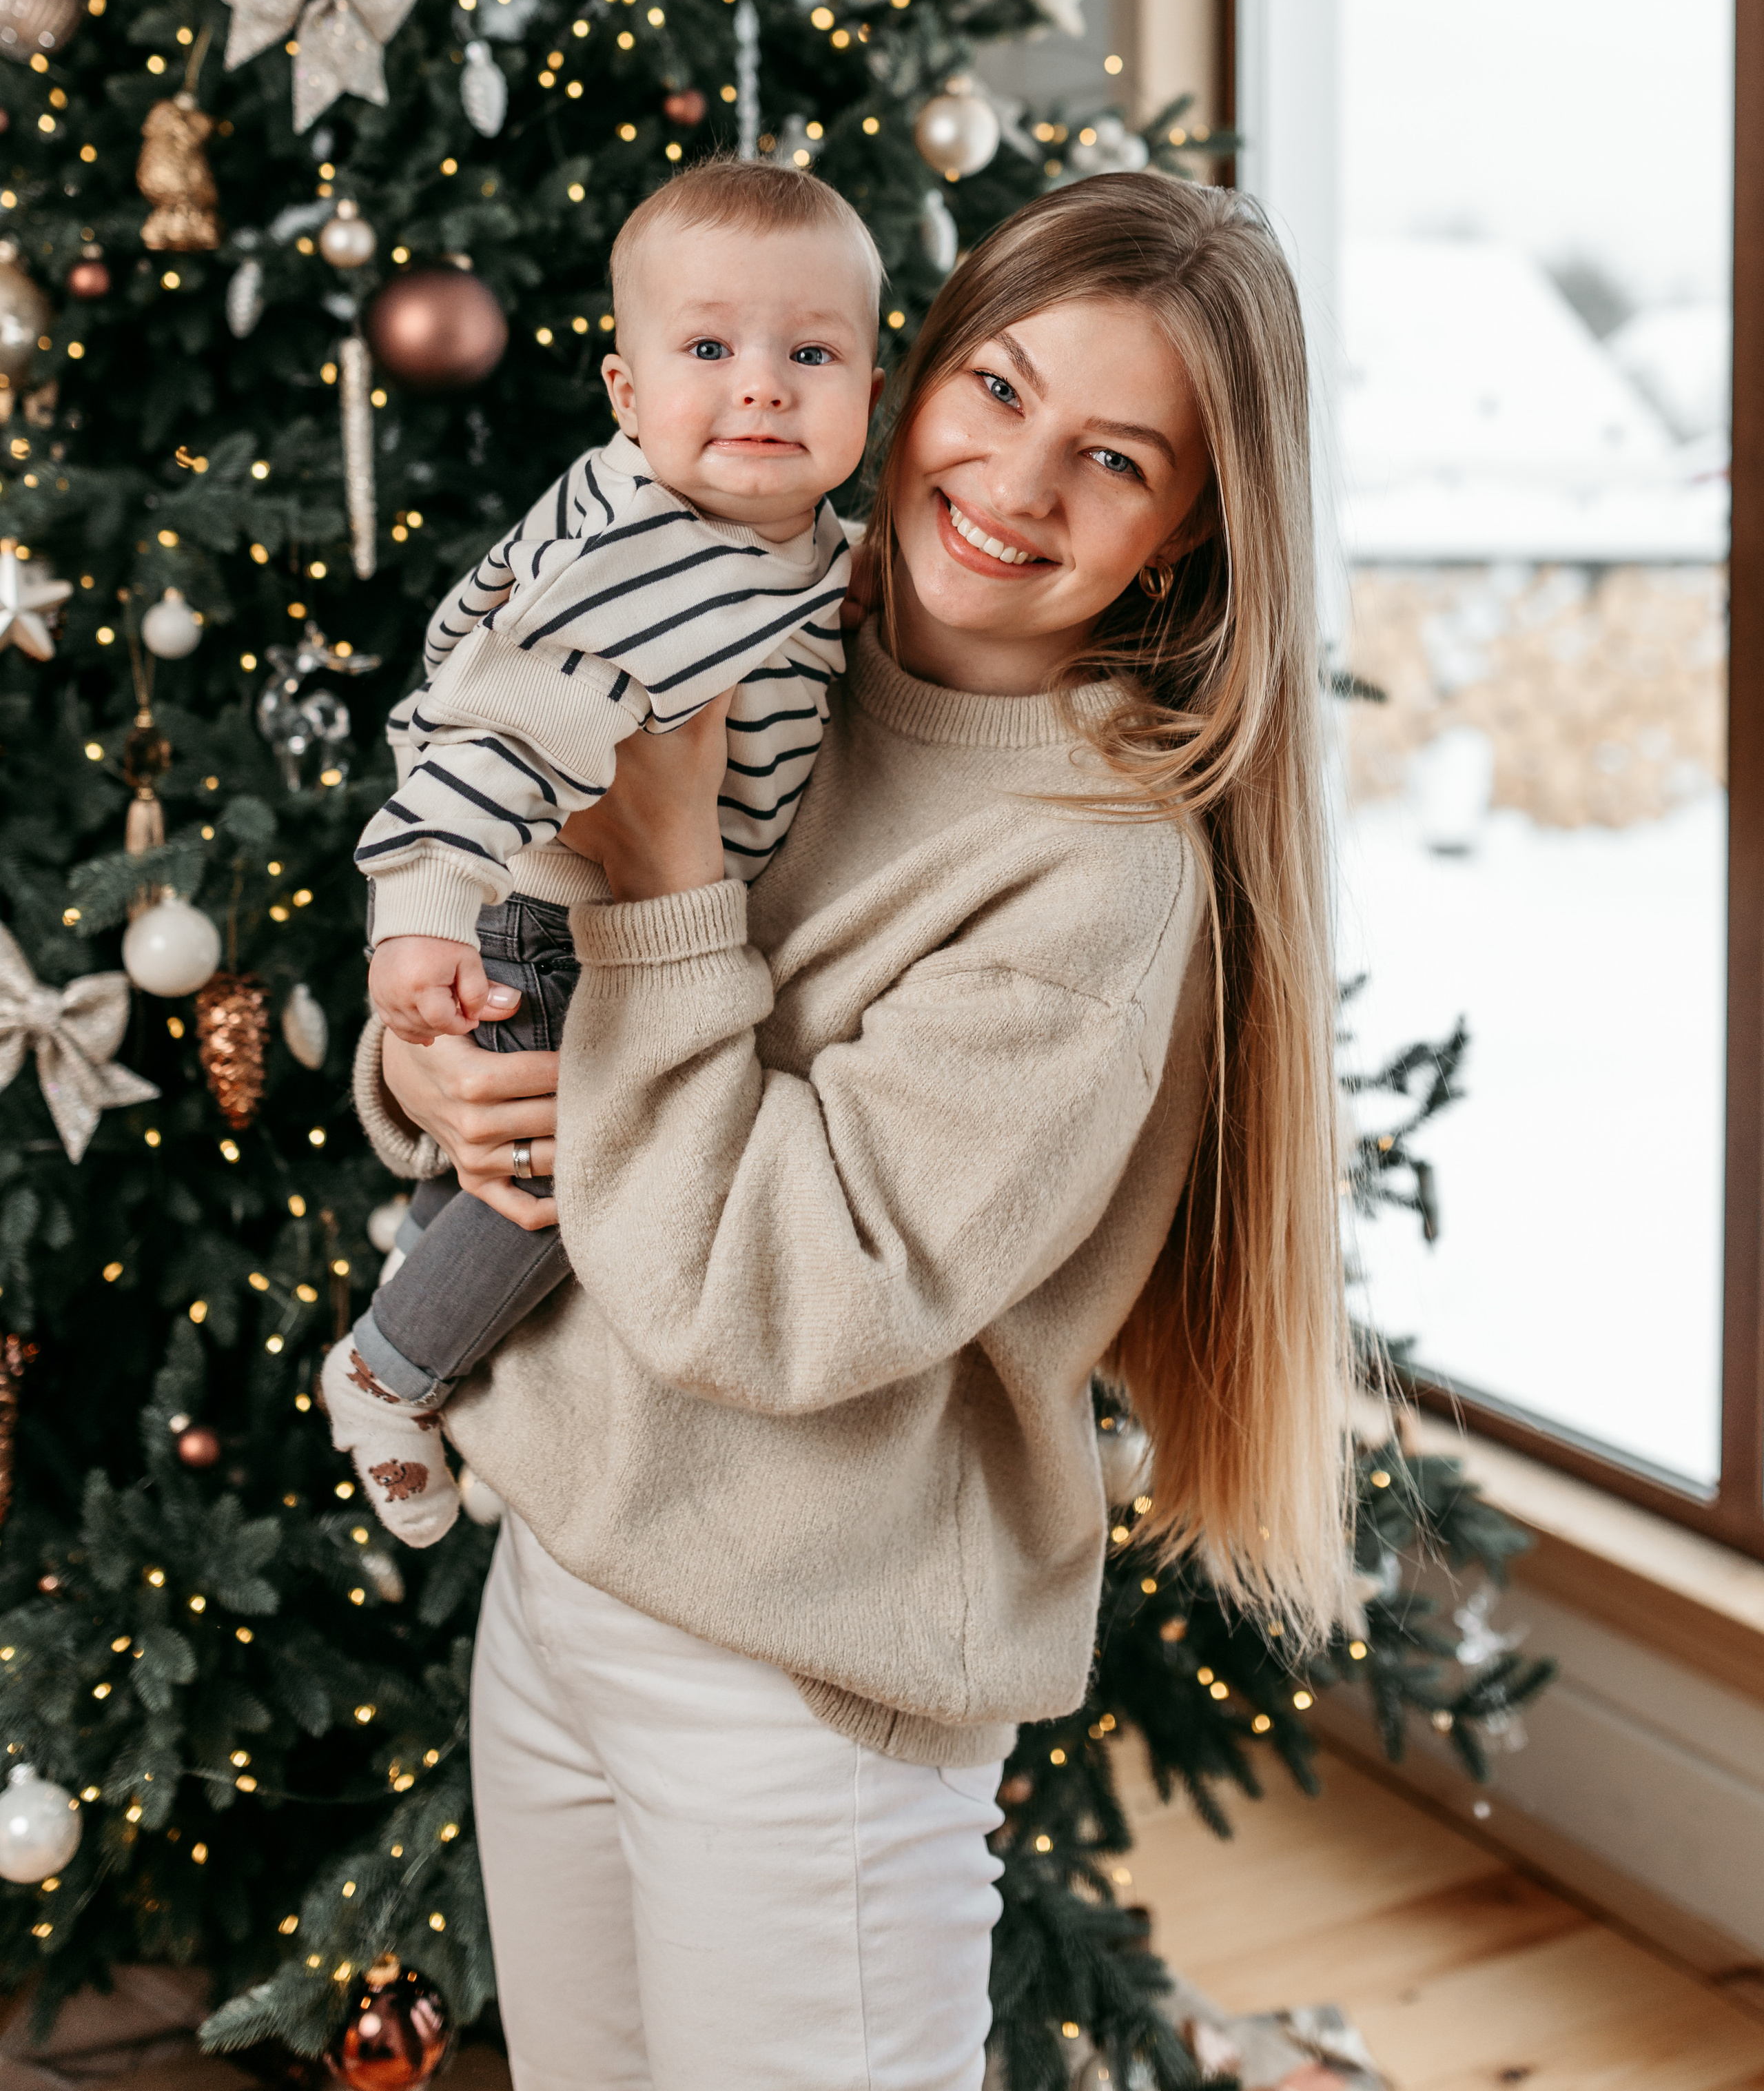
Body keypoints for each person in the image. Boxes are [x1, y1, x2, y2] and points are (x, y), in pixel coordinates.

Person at [351, 172, 1346, 2091]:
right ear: (915, 377)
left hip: (800, 1688)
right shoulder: (747, 634)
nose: (1016, 483)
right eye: (999, 389)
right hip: (562, 1574)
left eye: (1114, 459)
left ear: (1186, 537)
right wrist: (442, 1078)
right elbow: (513, 924)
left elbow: (778, 1297)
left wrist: (668, 888)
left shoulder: (1094, 877)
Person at [327, 159, 884, 1542]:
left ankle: (413, 1302)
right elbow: (494, 732)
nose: (762, 389)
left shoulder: (791, 542)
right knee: (562, 1183)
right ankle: (389, 1370)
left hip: (619, 915)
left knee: (529, 1166)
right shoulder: (643, 560)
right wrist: (421, 909)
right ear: (627, 394)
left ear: (870, 394)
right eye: (709, 350)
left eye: (810, 356)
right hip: (551, 922)